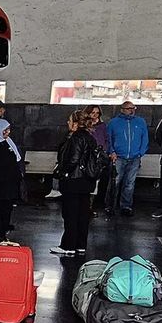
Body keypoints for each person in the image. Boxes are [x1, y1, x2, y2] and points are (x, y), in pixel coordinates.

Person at [51, 109, 100, 256]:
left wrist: (62, 172)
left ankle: (68, 246)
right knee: (82, 215)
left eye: (70, 120)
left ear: (76, 124)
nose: (68, 123)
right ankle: (80, 245)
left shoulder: (76, 138)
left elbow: (73, 159)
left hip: (73, 180)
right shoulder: (90, 138)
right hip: (86, 181)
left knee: (70, 214)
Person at [105, 99, 150, 215]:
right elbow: (108, 139)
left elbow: (144, 137)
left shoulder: (140, 122)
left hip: (135, 157)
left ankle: (126, 206)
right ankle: (110, 206)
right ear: (122, 110)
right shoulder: (113, 122)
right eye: (129, 109)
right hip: (118, 156)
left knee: (130, 183)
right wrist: (112, 151)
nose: (132, 111)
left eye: (133, 108)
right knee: (115, 182)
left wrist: (141, 152)